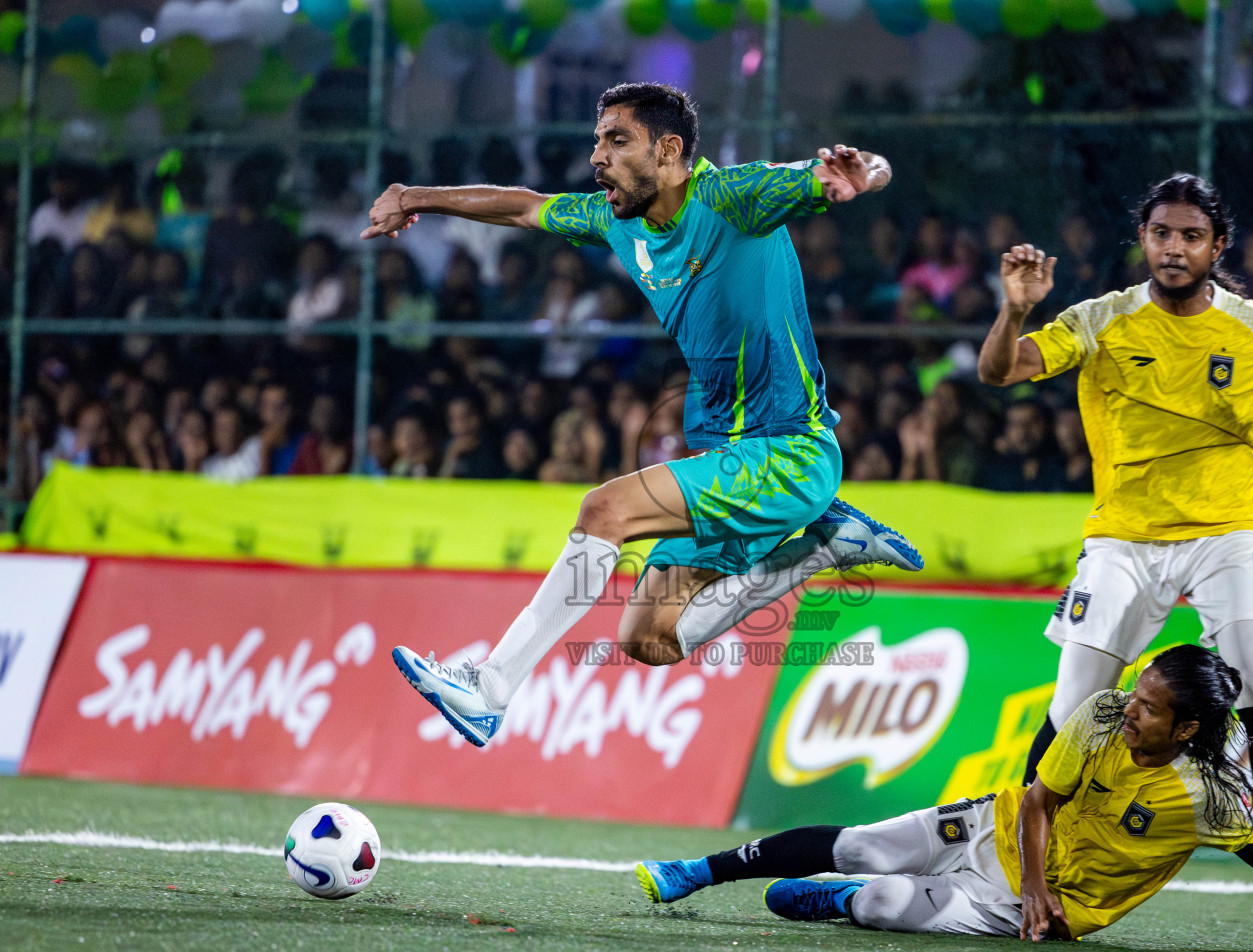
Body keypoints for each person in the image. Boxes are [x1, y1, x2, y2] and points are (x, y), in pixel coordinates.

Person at [364, 81, 923, 748]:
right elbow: (526, 208)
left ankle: (490, 690)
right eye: (597, 140)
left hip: (790, 452)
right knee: (648, 640)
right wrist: (412, 196)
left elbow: (851, 169)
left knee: (605, 511)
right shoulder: (617, 218)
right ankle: (823, 548)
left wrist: (862, 176)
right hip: (724, 457)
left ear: (667, 150)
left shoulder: (734, 198)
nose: (597, 156)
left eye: (616, 140)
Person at [974, 173, 1253, 941]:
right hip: (1123, 539)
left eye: (1190, 236)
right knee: (1074, 706)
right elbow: (1000, 371)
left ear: (1216, 247)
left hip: (1228, 530)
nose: (1174, 248)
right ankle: (1024, 870)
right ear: (1144, 239)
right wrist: (1015, 308)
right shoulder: (1101, 319)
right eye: (1162, 233)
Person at [636, 646, 1253, 952]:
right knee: (863, 841)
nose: (1132, 708)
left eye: (1151, 707)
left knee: (886, 901)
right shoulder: (1100, 713)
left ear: (1187, 727)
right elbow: (1037, 799)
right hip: (999, 837)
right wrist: (1034, 882)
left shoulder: (1213, 793)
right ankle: (694, 871)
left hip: (1037, 911)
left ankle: (840, 903)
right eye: (1139, 690)